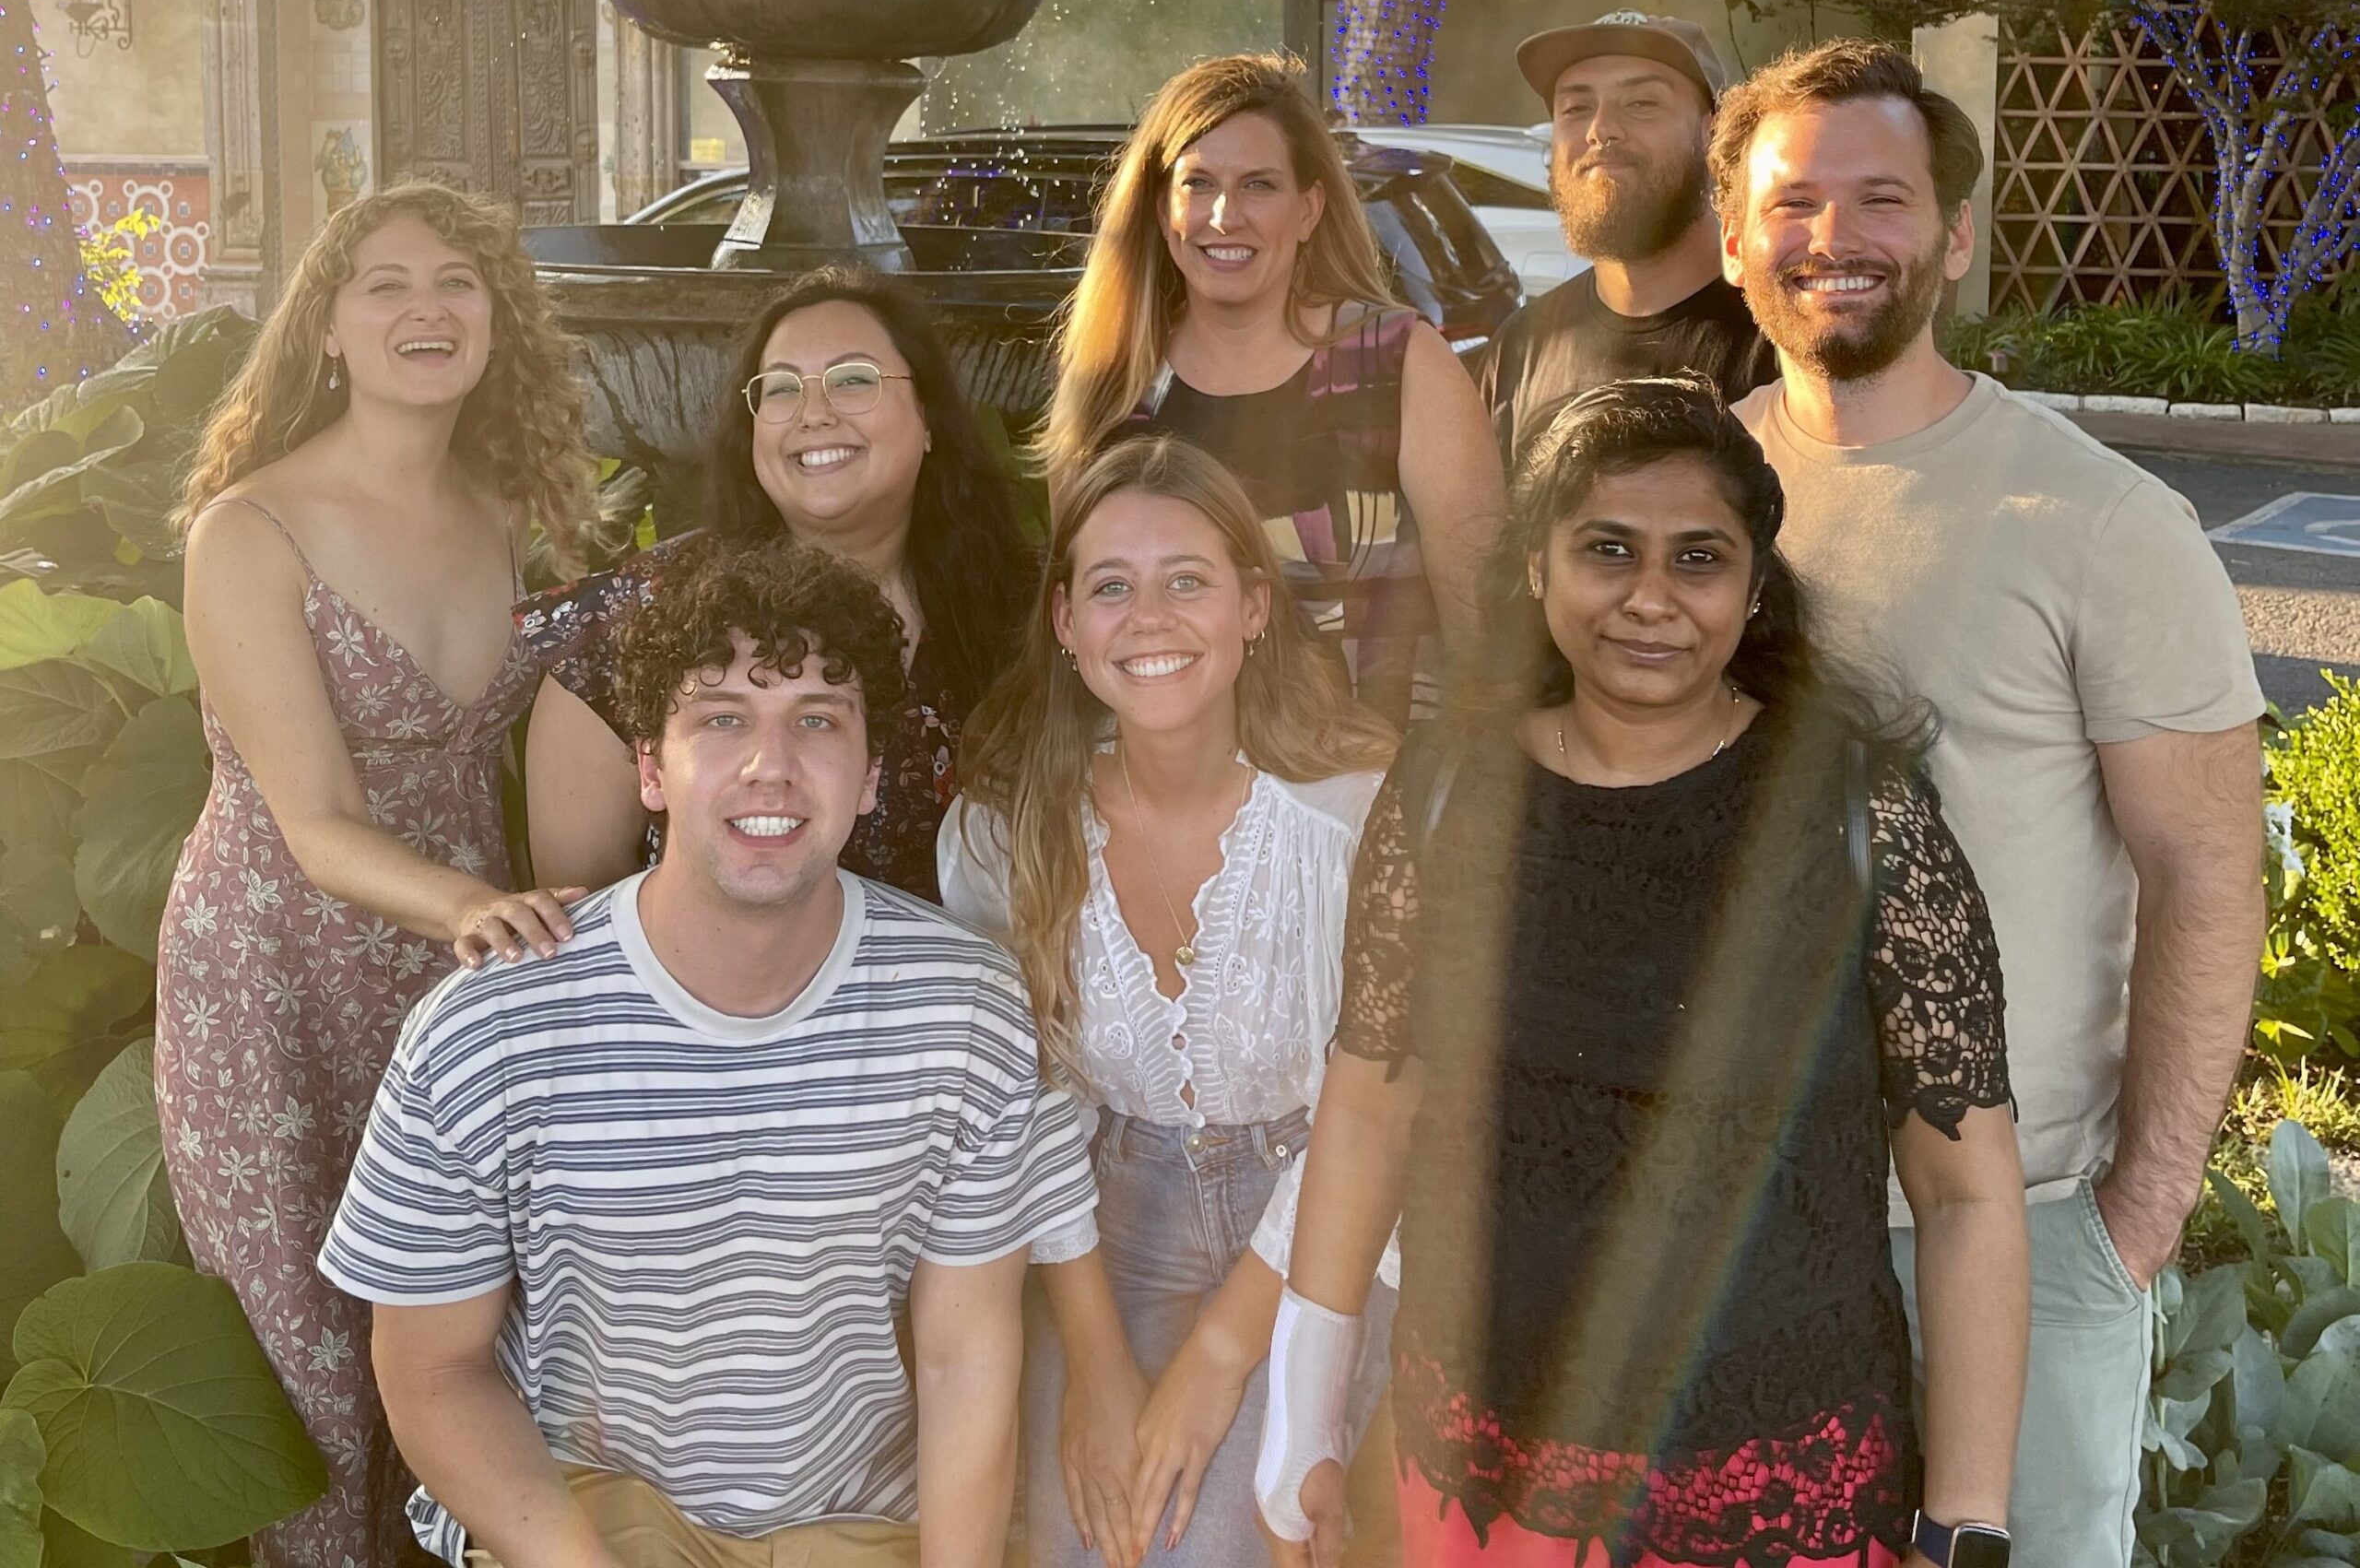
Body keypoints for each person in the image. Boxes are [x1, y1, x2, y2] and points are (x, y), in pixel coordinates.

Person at [1258, 380, 2029, 1568]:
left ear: (1754, 585)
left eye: (1698, 558)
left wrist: (1966, 1526)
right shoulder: (1447, 790)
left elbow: (1967, 1188)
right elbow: (1370, 1100)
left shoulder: (1850, 810)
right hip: (1474, 1471)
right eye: (1607, 550)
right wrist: (1301, 1416)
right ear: (1536, 567)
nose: (1650, 599)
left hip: (1779, 1489)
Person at [1712, 38, 2266, 1568]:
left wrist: (2129, 1223)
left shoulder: (2099, 522)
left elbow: (2208, 876)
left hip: (2012, 1238)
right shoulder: (1683, 506)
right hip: (1735, 1240)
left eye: (1881, 198)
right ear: (1733, 239)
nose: (1834, 239)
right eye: (1794, 201)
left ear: (1956, 235)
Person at [321, 533, 1097, 1568]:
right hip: (584, 1513)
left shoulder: (962, 1009)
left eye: (816, 720)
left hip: (859, 1520)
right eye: (721, 718)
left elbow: (965, 1355)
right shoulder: (490, 1028)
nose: (769, 763)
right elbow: (429, 1372)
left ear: (870, 775)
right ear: (650, 767)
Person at [156, 183, 597, 1568]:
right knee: (316, 1363)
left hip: (461, 977)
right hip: (275, 974)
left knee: (465, 1342)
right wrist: (474, 904)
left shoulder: (514, 512)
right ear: (328, 330)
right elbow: (314, 819)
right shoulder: (251, 531)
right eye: (384, 285)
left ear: (497, 323)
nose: (425, 309)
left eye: (458, 282)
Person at [943, 436, 1400, 1568]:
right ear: (1065, 624)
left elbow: (1383, 1113)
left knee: (1243, 1540)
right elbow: (1025, 1109)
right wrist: (1098, 1372)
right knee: (1088, 1540)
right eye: (1112, 586)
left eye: (1186, 580)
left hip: (1331, 1207)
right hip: (1100, 1218)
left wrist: (1215, 1360)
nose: (1149, 618)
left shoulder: (1360, 816)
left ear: (1252, 606)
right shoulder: (1005, 834)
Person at [519, 264, 1034, 900]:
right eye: (782, 389)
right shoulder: (636, 621)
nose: (812, 414)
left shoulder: (1032, 613)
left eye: (853, 381)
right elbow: (583, 925)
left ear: (930, 418)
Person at [1037, 53, 1503, 727]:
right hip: (1167, 803)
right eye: (1198, 184)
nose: (1225, 216)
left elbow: (1484, 626)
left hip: (1379, 795)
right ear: (1164, 211)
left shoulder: (1400, 366)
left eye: (1259, 185)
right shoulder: (1111, 390)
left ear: (1309, 208)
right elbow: (1080, 639)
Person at [1480, 12, 1772, 463]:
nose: (1601, 130)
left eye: (1642, 104)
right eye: (1576, 108)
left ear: (1712, 132)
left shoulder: (1782, 339)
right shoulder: (1521, 348)